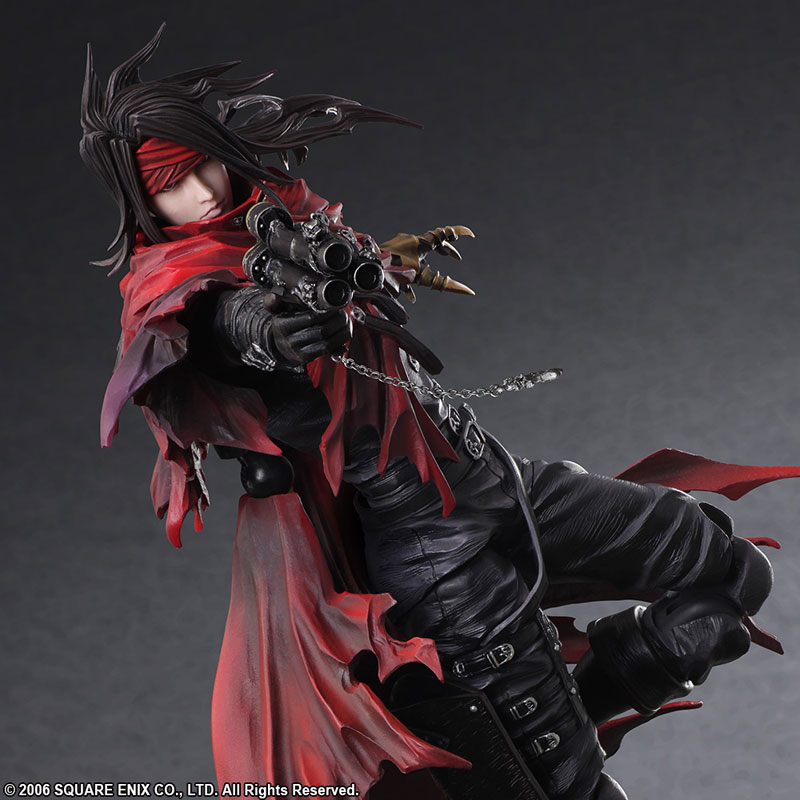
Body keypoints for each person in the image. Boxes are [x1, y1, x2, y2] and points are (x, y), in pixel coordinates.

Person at [81, 27, 786, 800]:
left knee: (733, 576)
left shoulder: (283, 216)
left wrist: (387, 258)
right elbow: (217, 323)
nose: (201, 193)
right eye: (171, 185)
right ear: (142, 201)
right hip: (436, 553)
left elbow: (335, 269)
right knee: (578, 790)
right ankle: (553, 752)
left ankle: (577, 712)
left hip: (499, 480)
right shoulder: (182, 285)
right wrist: (268, 333)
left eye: (202, 164)